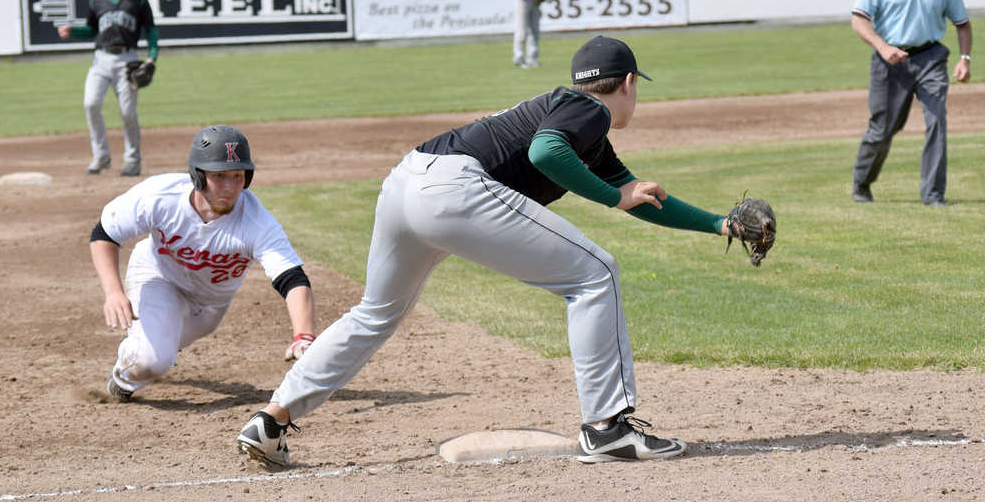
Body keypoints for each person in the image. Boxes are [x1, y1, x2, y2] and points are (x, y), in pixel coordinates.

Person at [236, 36, 742, 467]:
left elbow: (640, 198)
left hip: (407, 180)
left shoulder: (578, 122)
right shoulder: (587, 111)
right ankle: (608, 429)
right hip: (455, 187)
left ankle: (272, 419)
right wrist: (613, 195)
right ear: (629, 83)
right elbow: (548, 152)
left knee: (375, 312)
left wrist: (721, 224)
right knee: (595, 275)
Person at [92, 125, 317, 402]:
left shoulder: (256, 222)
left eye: (237, 176)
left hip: (209, 309)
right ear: (197, 176)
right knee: (152, 361)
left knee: (162, 350)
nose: (230, 187)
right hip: (158, 277)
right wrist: (113, 293)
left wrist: (303, 336)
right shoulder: (160, 197)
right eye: (219, 176)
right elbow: (104, 233)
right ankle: (123, 378)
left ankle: (149, 344)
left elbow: (293, 280)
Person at [850, 0, 972, 206]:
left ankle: (933, 194)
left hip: (930, 57)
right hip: (890, 60)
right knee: (883, 127)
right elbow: (858, 19)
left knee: (936, 121)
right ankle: (861, 183)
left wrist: (965, 58)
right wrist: (882, 46)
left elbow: (962, 23)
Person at [58, 0, 159, 177]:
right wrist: (72, 31)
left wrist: (152, 56)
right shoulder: (97, 1)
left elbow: (151, 29)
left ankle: (133, 162)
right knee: (91, 104)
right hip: (100, 60)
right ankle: (100, 157)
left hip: (128, 59)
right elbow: (92, 31)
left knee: (128, 113)